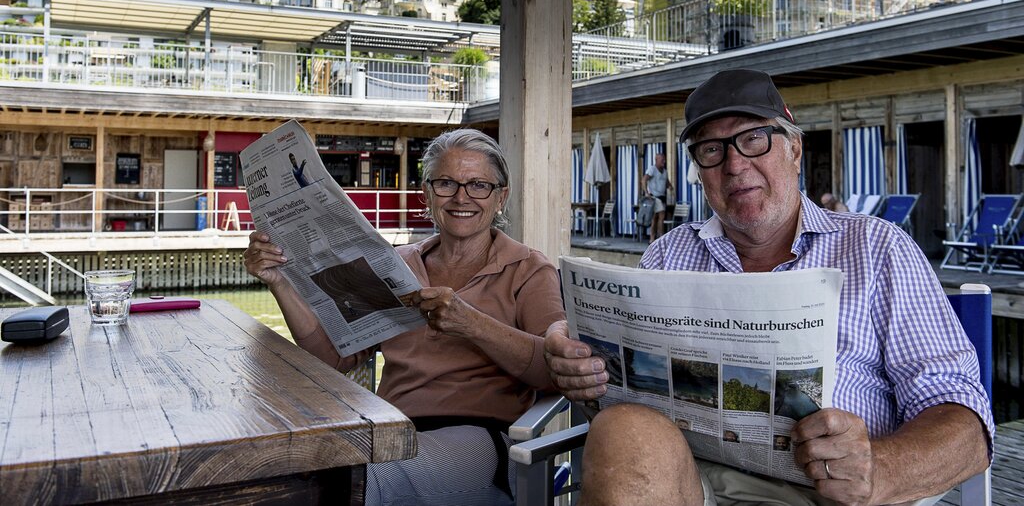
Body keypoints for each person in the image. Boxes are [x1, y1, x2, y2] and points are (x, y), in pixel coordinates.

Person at [545, 69, 994, 506]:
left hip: (829, 492)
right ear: (699, 170)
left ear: (794, 149)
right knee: (622, 429)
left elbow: (966, 425)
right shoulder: (668, 253)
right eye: (711, 150)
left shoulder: (877, 248)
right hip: (689, 482)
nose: (735, 164)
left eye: (753, 139)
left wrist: (880, 469)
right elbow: (624, 387)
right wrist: (580, 363)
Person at [245, 128, 565, 506]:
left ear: (501, 197)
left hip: (480, 438)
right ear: (427, 194)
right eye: (446, 183)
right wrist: (279, 281)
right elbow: (334, 358)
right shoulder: (397, 264)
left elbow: (554, 370)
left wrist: (472, 323)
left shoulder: (528, 269)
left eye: (478, 185)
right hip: (389, 430)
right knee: (284, 455)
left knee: (356, 474)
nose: (461, 197)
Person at [642, 152, 674, 241]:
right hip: (654, 197)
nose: (664, 161)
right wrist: (646, 192)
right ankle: (661, 237)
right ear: (656, 160)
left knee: (655, 218)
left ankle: (652, 238)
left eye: (664, 159)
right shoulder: (652, 169)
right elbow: (644, 180)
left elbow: (667, 182)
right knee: (661, 215)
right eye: (662, 160)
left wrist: (670, 187)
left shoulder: (665, 171)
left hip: (662, 197)